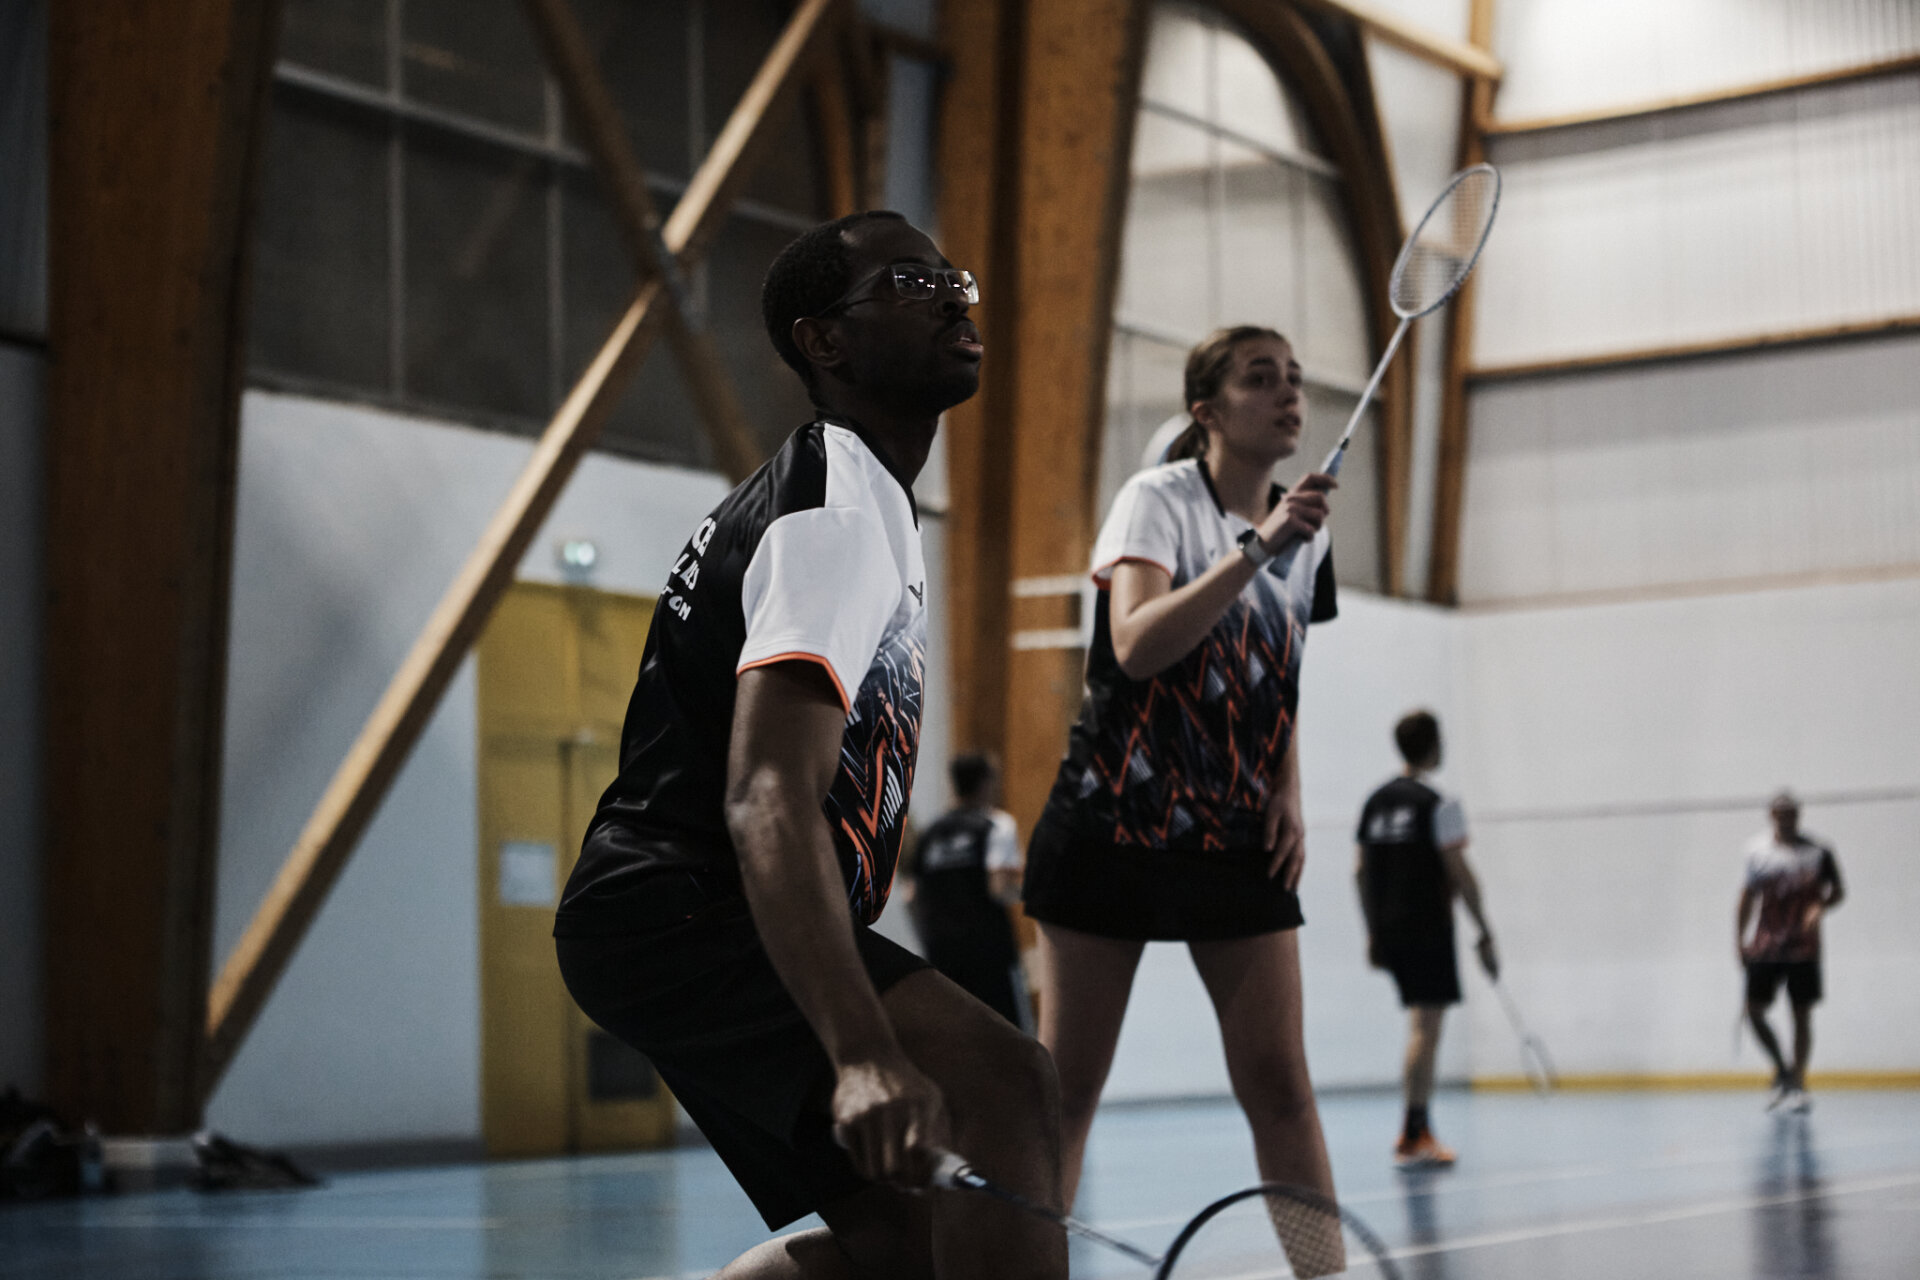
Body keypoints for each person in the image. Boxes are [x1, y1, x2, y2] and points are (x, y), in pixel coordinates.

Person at [553, 211, 1064, 1280]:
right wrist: (863, 1050)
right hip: (686, 909)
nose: (953, 296)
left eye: (953, 277)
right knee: (1005, 1081)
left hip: (667, 917)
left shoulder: (860, 496)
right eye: (910, 282)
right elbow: (766, 794)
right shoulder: (833, 504)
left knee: (902, 1250)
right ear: (823, 340)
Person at [1022, 325, 1342, 1218]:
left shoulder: (1305, 532)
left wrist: (1287, 789)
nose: (1287, 394)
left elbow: (1276, 671)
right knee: (1066, 1097)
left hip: (1236, 838)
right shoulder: (1157, 499)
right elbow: (1134, 645)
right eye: (1259, 378)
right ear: (1208, 411)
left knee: (1282, 1089)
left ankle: (1324, 1277)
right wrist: (1258, 548)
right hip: (1111, 825)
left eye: (1294, 378)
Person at [1354, 710, 1498, 1168]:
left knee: (1420, 1025)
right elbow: (1461, 873)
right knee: (1426, 1028)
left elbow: (1360, 871)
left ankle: (1415, 1129)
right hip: (1428, 928)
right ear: (1434, 746)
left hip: (1389, 928)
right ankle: (1414, 1133)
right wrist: (1485, 932)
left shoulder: (1375, 802)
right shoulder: (1441, 804)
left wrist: (1372, 931)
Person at [901, 753, 1031, 1030]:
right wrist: (1034, 891)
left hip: (942, 954)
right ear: (985, 783)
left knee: (957, 1034)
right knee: (1010, 1037)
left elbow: (911, 897)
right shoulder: (997, 825)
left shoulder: (931, 834)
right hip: (990, 955)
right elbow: (999, 888)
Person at [1738, 790, 1844, 1113]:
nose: (1786, 818)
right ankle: (1782, 1070)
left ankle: (1798, 1081)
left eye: (1791, 813)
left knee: (1801, 1013)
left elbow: (1837, 891)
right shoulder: (1758, 852)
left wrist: (1820, 907)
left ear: (1798, 815)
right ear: (1772, 816)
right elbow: (1747, 897)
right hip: (1766, 945)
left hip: (1802, 947)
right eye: (1780, 813)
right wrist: (1740, 939)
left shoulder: (1818, 852)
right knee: (1754, 1011)